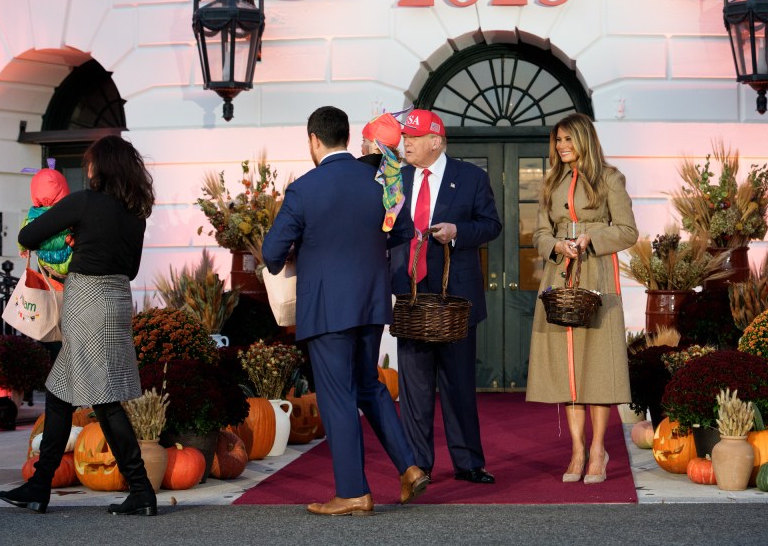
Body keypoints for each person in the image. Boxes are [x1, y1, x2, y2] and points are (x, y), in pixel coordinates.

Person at [262, 106, 428, 516]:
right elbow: (403, 232)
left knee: (337, 396)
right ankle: (409, 468)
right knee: (369, 385)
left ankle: (353, 491)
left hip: (326, 307)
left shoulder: (305, 188)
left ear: (314, 140)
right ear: (348, 139)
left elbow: (270, 254)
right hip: (370, 301)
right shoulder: (378, 182)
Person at [0, 135, 157, 516]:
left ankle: (142, 490)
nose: (86, 170)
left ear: (99, 168)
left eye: (90, 164)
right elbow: (132, 268)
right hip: (118, 300)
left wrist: (67, 238)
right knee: (60, 394)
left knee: (104, 400)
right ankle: (40, 485)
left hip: (86, 300)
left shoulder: (84, 202)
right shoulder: (135, 215)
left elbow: (27, 236)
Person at [390, 109, 502, 484]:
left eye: (414, 136)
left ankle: (469, 462)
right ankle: (418, 465)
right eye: (405, 136)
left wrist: (457, 231)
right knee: (414, 389)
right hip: (412, 300)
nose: (406, 142)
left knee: (458, 386)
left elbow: (491, 225)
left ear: (436, 141)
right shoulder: (394, 179)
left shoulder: (471, 178)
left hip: (456, 301)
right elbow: (384, 229)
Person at [525, 112, 638, 484]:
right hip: (561, 273)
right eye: (558, 141)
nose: (561, 147)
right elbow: (539, 233)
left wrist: (592, 238)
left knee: (596, 363)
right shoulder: (550, 181)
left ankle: (597, 450)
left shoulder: (609, 178)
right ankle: (576, 449)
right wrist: (555, 244)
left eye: (568, 140)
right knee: (567, 364)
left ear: (584, 140)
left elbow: (627, 231)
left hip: (596, 273)